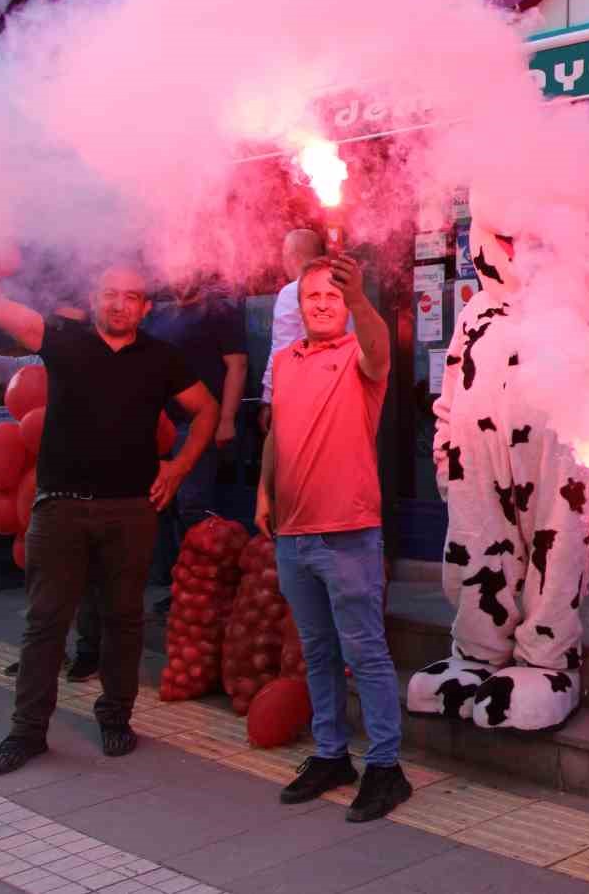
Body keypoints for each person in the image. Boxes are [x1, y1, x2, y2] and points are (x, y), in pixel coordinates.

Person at [0, 264, 217, 774]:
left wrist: (179, 468)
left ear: (144, 307)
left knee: (123, 621)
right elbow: (5, 311)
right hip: (59, 506)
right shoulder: (64, 339)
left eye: (131, 296)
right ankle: (27, 732)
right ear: (95, 298)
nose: (120, 304)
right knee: (44, 623)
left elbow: (204, 409)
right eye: (110, 294)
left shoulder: (162, 359)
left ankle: (116, 718)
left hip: (130, 509)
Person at [255, 255, 409, 822]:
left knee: (365, 651)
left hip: (347, 532)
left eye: (333, 296)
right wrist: (263, 492)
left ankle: (387, 767)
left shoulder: (359, 356)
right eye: (312, 296)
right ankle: (330, 754)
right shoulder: (284, 359)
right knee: (316, 651)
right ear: (299, 305)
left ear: (346, 305)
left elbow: (377, 346)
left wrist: (363, 300)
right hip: (293, 535)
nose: (322, 303)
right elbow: (277, 435)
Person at [0, 302, 103, 683]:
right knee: (40, 572)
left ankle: (89, 651)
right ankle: (43, 654)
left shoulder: (97, 363)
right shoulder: (33, 362)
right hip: (38, 487)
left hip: (84, 484)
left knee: (86, 572)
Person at [142, 272, 247, 599]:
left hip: (199, 424)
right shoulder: (157, 315)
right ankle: (177, 587)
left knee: (192, 504)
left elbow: (238, 366)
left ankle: (205, 587)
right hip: (159, 428)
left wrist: (227, 418)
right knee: (163, 505)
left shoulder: (219, 311)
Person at [258, 229, 332, 434]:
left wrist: (267, 397)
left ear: (294, 257)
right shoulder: (341, 290)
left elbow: (282, 349)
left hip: (303, 395)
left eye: (284, 256)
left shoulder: (293, 292)